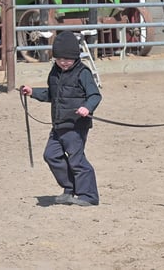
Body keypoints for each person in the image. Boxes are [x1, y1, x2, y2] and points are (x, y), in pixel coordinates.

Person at [20, 31, 102, 207]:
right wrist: (33, 92)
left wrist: (87, 107)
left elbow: (95, 95)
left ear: (75, 57)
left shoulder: (83, 73)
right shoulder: (54, 72)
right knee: (51, 155)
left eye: (68, 59)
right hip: (58, 124)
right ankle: (70, 188)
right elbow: (52, 94)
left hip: (76, 125)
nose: (63, 62)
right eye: (59, 59)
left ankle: (89, 195)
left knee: (76, 160)